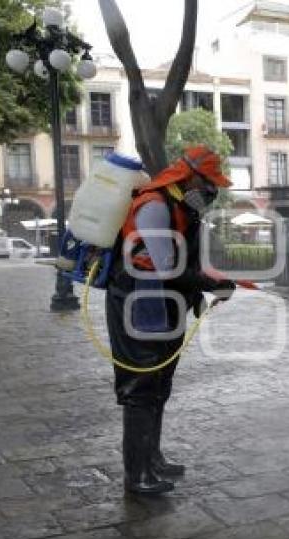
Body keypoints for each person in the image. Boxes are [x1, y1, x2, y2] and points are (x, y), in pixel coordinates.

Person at [105, 145, 236, 495]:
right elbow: (166, 267)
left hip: (165, 303)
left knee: (160, 384)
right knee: (140, 387)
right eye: (209, 182)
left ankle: (153, 459)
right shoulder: (155, 206)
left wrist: (213, 281)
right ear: (189, 175)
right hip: (138, 302)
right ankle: (137, 475)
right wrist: (211, 284)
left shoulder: (183, 208)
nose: (212, 191)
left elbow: (185, 264)